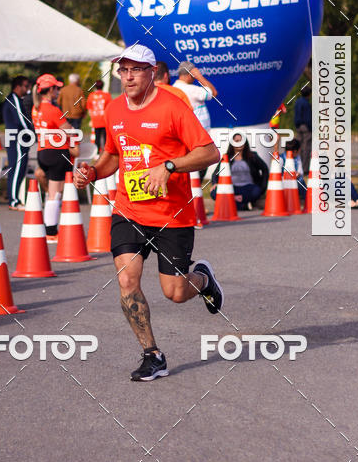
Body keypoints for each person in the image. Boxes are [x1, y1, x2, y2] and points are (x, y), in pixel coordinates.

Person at [73, 44, 222, 382]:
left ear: (152, 72)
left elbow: (210, 152)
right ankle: (152, 355)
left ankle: (203, 280)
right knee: (127, 279)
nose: (128, 76)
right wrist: (93, 172)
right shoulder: (113, 110)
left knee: (176, 292)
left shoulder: (173, 107)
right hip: (129, 210)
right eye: (123, 70)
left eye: (135, 70)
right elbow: (112, 156)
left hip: (172, 215)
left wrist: (169, 166)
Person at [31, 74, 77, 241]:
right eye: (56, 88)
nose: (58, 91)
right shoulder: (52, 109)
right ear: (50, 90)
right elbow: (70, 130)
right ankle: (51, 232)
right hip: (56, 153)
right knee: (54, 195)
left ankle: (53, 227)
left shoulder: (36, 108)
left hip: (43, 151)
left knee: (55, 193)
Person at [210, 139, 268, 210]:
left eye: (241, 141)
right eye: (237, 141)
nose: (239, 143)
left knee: (257, 191)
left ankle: (231, 203)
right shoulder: (227, 157)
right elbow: (216, 173)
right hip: (231, 188)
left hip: (248, 187)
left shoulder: (253, 156)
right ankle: (243, 206)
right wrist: (215, 183)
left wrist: (262, 187)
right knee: (214, 193)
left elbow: (265, 169)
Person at [2, 75, 31, 210]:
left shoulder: (17, 99)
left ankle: (15, 199)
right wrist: (34, 132)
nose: (28, 89)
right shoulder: (14, 99)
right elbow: (22, 120)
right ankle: (13, 201)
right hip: (17, 139)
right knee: (17, 169)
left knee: (19, 169)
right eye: (26, 86)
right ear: (18, 87)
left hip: (18, 138)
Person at [173, 61, 218, 128]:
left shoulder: (173, 88)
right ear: (190, 75)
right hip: (199, 133)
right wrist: (199, 76)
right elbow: (214, 93)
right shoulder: (192, 90)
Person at [86, 79, 112, 153]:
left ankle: (96, 152)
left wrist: (91, 119)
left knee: (97, 137)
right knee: (105, 137)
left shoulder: (91, 96)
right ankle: (106, 152)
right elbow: (110, 108)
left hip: (95, 119)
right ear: (102, 86)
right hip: (104, 119)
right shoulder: (107, 95)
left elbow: (89, 109)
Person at [294, 85, 312, 176]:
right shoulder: (306, 103)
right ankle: (305, 169)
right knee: (306, 148)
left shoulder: (297, 102)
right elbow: (308, 118)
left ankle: (298, 167)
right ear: (309, 94)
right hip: (306, 127)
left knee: (298, 148)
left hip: (298, 127)